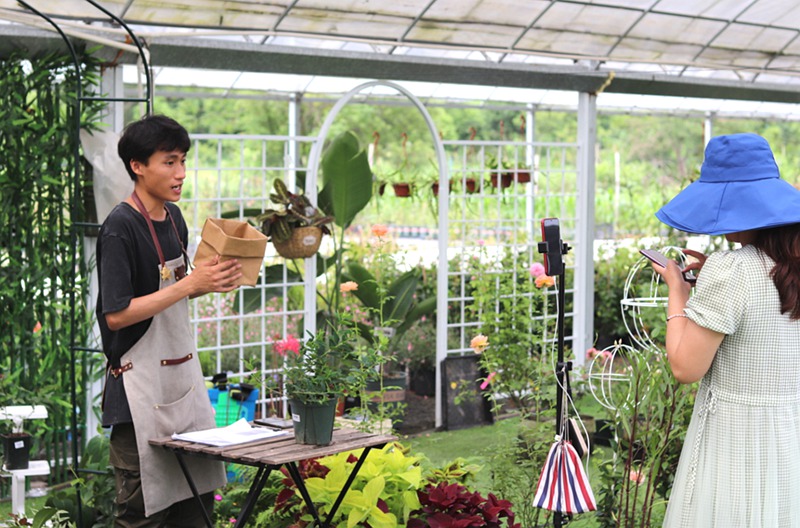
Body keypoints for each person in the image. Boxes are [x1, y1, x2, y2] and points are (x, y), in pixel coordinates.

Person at [97, 114, 242, 525]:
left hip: (182, 389)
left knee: (196, 511)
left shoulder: (174, 219)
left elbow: (176, 291)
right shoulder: (120, 228)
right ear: (137, 166)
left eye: (183, 161)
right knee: (144, 516)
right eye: (169, 162)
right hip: (138, 396)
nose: (180, 173)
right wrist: (187, 285)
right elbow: (117, 315)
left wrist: (212, 280)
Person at [651, 133, 800, 527]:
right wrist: (710, 288)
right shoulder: (789, 268)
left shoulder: (730, 269)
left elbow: (685, 368)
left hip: (737, 442)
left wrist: (677, 291)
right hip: (791, 436)